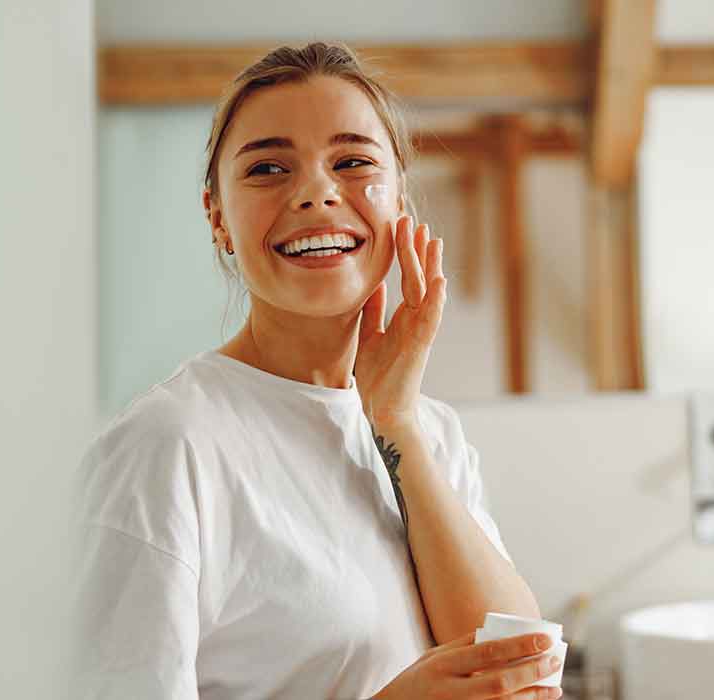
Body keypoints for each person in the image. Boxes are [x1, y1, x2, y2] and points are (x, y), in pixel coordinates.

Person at [71, 42, 563, 700]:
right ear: (217, 217)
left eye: (353, 161)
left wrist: (398, 427)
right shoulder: (168, 447)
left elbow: (516, 665)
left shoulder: (430, 433)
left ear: (399, 202)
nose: (315, 193)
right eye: (269, 167)